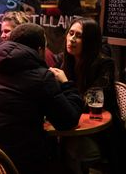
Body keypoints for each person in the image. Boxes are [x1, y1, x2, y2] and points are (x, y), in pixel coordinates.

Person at [0, 23, 83, 173]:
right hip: (12, 164)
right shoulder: (41, 77)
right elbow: (68, 121)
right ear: (40, 50)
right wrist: (67, 84)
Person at [49, 17, 126, 174]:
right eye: (71, 33)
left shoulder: (105, 64)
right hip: (71, 125)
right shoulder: (63, 60)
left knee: (72, 149)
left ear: (90, 41)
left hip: (100, 132)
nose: (72, 39)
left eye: (79, 36)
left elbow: (90, 101)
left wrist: (65, 83)